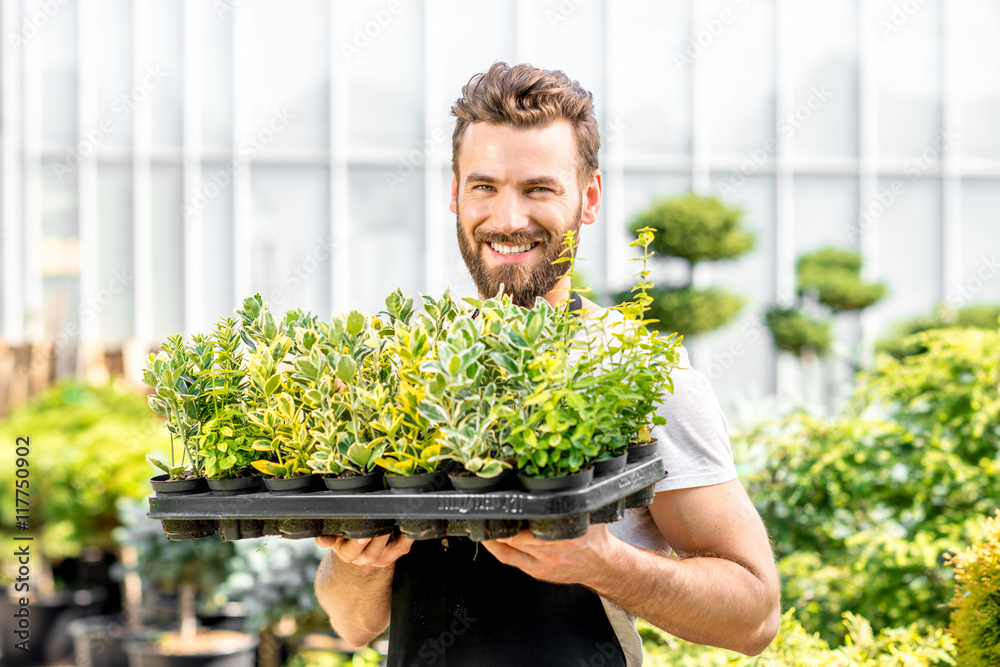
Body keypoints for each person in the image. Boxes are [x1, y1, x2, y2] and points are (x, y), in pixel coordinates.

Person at [314, 62, 780, 666]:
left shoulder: (635, 372)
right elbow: (350, 623)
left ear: (588, 199)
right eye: (484, 187)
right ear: (454, 195)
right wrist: (358, 565)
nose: (508, 219)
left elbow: (754, 615)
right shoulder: (405, 367)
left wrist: (605, 564)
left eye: (538, 188)